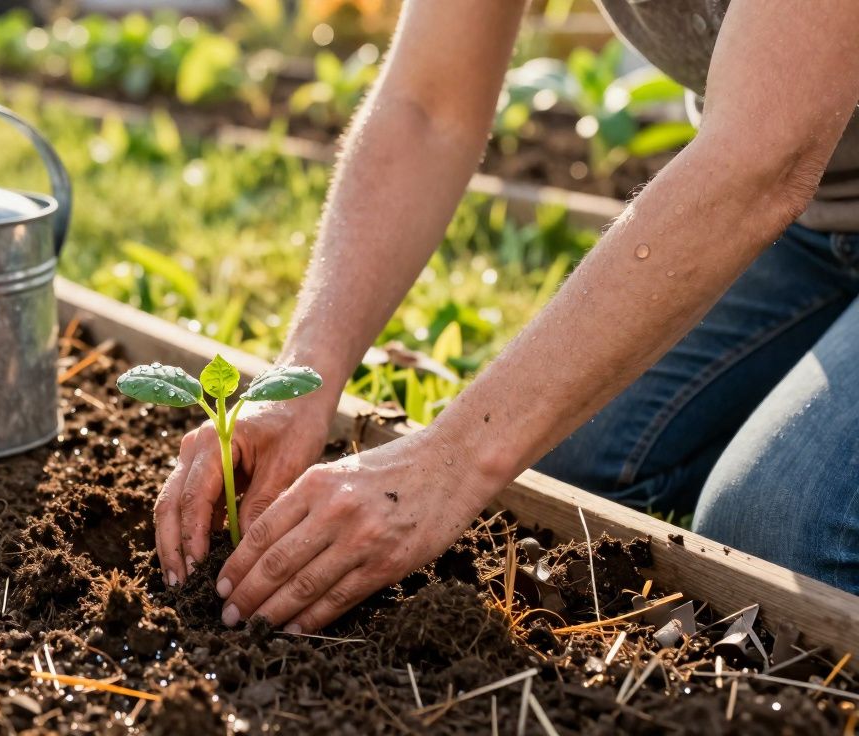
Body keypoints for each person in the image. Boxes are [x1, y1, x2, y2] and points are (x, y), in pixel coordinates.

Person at [152, 0, 859, 633]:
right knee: (561, 458)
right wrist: (303, 373)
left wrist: (449, 459)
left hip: (775, 175)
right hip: (808, 219)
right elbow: (427, 105)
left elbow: (765, 158)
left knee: (778, 530)